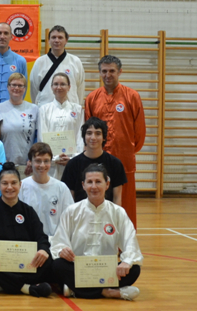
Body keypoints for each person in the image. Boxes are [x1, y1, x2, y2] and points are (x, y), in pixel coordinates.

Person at [51, 164, 142, 301]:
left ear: (107, 184)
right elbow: (58, 242)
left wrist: (127, 262)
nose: (94, 186)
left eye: (98, 181)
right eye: (89, 182)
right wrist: (62, 250)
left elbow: (130, 242)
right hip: (78, 268)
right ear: (83, 185)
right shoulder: (72, 211)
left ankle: (76, 289)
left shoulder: (118, 212)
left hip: (106, 269)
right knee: (57, 265)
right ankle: (107, 292)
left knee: (134, 268)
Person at [0, 162, 53, 297]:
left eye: (13, 183)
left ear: (20, 184)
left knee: (49, 260)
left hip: (25, 263)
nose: (9, 187)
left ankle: (3, 284)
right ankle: (25, 288)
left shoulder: (28, 211)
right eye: (5, 183)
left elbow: (41, 236)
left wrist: (43, 249)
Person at [84, 55, 146, 227]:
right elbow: (88, 131)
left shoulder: (132, 96)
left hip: (124, 161)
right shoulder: (92, 98)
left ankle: (126, 239)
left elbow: (140, 131)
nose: (108, 75)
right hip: (98, 161)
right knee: (97, 199)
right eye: (104, 71)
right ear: (99, 73)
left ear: (120, 72)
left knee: (125, 203)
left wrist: (128, 150)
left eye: (112, 71)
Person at [61, 117, 127, 205]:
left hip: (106, 212)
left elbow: (117, 197)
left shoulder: (115, 163)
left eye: (98, 133)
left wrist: (115, 214)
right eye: (89, 133)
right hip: (80, 212)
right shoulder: (72, 164)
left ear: (104, 137)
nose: (93, 137)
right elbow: (70, 198)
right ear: (84, 137)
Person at [18, 143, 74, 236]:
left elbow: (69, 218)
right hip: (29, 240)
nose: (42, 165)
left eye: (46, 161)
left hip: (54, 241)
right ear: (30, 162)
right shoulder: (21, 187)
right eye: (38, 161)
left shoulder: (61, 187)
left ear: (51, 162)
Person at [37, 73, 84, 179]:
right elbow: (42, 136)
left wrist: (74, 158)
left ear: (69, 87)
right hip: (51, 162)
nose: (59, 87)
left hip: (71, 161)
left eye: (63, 84)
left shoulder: (77, 109)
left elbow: (80, 136)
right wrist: (53, 157)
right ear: (51, 87)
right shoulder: (44, 109)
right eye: (56, 84)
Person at [30, 25, 85, 106]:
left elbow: (80, 88)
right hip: (45, 107)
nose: (56, 40)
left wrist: (76, 106)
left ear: (66, 40)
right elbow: (34, 89)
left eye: (60, 37)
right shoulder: (40, 62)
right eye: (53, 37)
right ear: (49, 40)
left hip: (70, 108)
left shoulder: (75, 61)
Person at [0, 72, 38, 168]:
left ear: (25, 88)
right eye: (13, 85)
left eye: (20, 85)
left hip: (28, 164)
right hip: (5, 163)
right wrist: (1, 158)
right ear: (8, 87)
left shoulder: (34, 109)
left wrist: (33, 158)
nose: (16, 88)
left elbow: (37, 137)